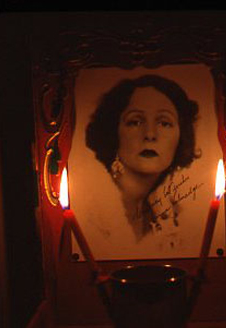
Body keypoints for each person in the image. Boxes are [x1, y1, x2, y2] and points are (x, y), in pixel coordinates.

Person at [83, 74, 201, 257]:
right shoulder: (89, 212)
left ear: (181, 136)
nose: (150, 134)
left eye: (164, 123)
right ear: (113, 131)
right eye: (135, 122)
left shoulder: (174, 217)